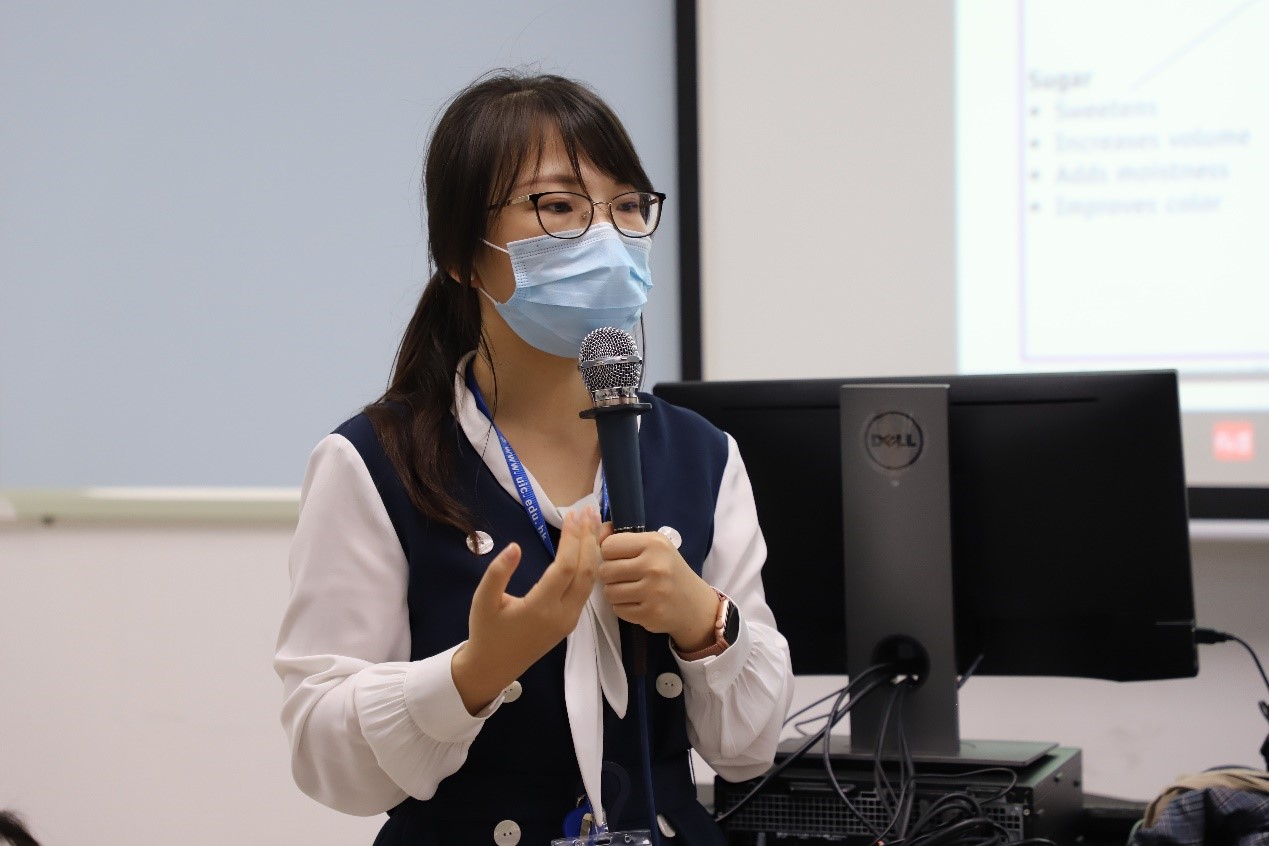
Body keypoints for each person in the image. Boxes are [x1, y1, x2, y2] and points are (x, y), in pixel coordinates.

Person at [274, 70, 794, 845]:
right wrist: (477, 670)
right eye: (558, 207)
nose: (607, 238)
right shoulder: (374, 462)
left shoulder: (702, 454)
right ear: (461, 253)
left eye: (627, 206)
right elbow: (329, 764)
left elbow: (747, 750)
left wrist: (702, 620)